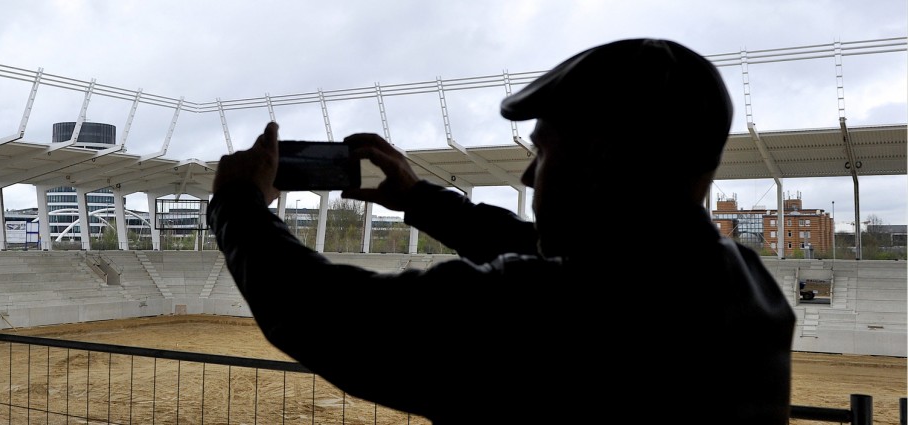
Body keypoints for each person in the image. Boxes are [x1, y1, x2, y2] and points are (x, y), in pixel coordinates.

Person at [208, 38, 795, 424]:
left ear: (601, 157)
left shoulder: (543, 309)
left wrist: (239, 201)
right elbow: (566, 261)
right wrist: (420, 200)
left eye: (543, 150)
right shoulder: (739, 281)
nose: (528, 172)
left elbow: (320, 311)